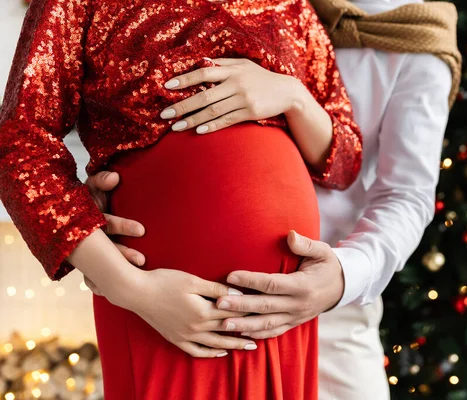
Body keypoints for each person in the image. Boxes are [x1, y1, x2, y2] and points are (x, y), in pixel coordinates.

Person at [87, 0, 460, 398]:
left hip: (332, 307)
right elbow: (111, 107)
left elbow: (406, 195)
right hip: (181, 296)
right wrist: (92, 206)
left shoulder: (418, 34)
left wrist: (342, 278)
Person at [0, 0, 362, 399]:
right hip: (158, 301)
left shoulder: (293, 7)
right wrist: (131, 288)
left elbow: (344, 162)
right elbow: (20, 146)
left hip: (280, 307)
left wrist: (294, 96)